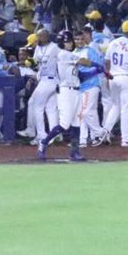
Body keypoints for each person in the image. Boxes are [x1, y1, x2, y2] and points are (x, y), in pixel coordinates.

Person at [36, 30, 95, 161]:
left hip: (76, 90)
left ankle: (74, 152)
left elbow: (80, 75)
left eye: (69, 41)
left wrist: (96, 72)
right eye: (66, 41)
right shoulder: (63, 54)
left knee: (76, 123)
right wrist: (97, 66)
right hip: (65, 91)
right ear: (61, 43)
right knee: (64, 124)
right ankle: (44, 142)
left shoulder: (70, 55)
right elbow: (85, 62)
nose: (69, 43)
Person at [100, 21, 128, 147]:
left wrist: (108, 78)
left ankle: (105, 131)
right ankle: (125, 139)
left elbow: (107, 62)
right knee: (126, 109)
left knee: (115, 107)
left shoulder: (113, 43)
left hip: (114, 77)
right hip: (127, 78)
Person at [17, 28, 59, 145]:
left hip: (51, 79)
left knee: (36, 106)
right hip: (44, 80)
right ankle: (54, 134)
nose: (38, 39)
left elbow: (61, 61)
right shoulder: (38, 48)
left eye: (40, 36)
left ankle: (41, 135)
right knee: (50, 108)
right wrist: (27, 62)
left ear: (46, 36)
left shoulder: (55, 47)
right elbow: (35, 62)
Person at [75, 25, 106, 148]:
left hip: (92, 83)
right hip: (81, 85)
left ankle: (101, 132)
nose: (79, 41)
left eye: (81, 39)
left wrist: (85, 75)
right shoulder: (74, 52)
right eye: (76, 39)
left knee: (86, 112)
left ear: (85, 39)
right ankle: (85, 139)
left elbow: (99, 68)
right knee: (85, 112)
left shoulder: (90, 51)